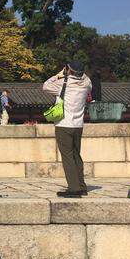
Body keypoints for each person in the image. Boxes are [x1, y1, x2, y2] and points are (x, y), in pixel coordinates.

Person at [43, 61, 93, 198]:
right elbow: (87, 80)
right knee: (76, 155)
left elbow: (45, 86)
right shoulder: (86, 83)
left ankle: (74, 188)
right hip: (78, 125)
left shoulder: (63, 83)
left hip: (64, 124)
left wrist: (58, 75)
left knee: (67, 156)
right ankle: (82, 186)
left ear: (68, 70)